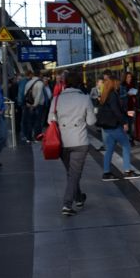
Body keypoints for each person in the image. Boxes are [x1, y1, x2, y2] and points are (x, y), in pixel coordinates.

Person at [48, 70, 96, 215]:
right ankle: (67, 205)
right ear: (79, 83)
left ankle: (79, 198)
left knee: (72, 173)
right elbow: (91, 121)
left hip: (62, 142)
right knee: (74, 174)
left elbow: (50, 120)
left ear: (66, 83)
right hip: (79, 140)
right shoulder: (85, 99)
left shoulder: (56, 99)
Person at [97, 76, 140, 181]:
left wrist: (126, 113)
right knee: (126, 145)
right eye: (117, 83)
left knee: (109, 150)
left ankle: (106, 173)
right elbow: (116, 111)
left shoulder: (105, 94)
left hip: (107, 127)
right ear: (113, 83)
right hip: (114, 126)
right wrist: (124, 123)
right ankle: (127, 171)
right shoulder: (112, 94)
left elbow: (113, 109)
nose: (119, 85)